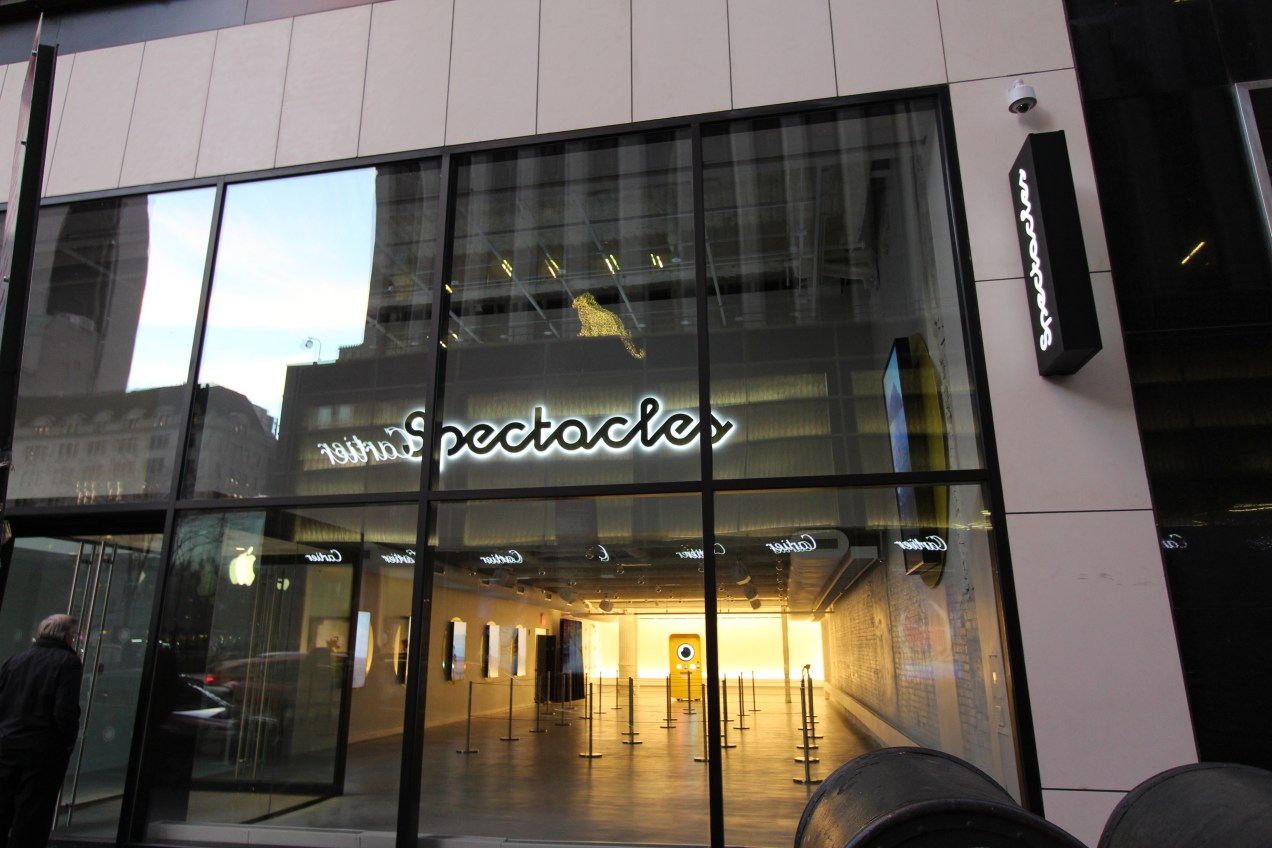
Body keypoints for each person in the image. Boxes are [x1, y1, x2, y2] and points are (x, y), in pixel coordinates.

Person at [0, 614, 83, 848]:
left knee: (3, 807)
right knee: (32, 816)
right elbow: (64, 710)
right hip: (42, 749)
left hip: (7, 744)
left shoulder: (15, 660)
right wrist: (67, 742)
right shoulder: (68, 662)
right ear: (67, 636)